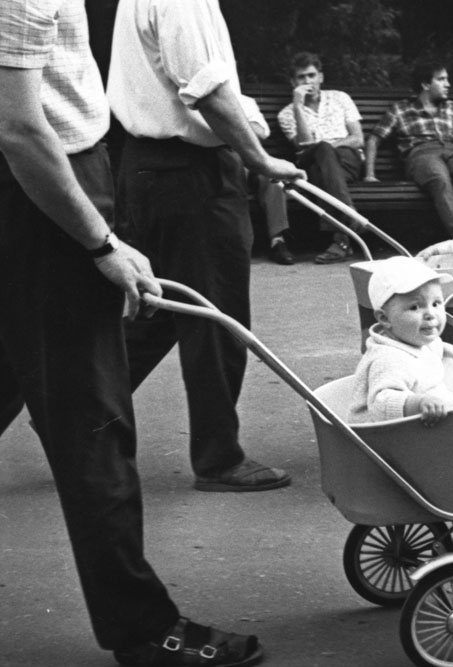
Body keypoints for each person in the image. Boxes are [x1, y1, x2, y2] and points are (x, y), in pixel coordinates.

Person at [0, 2, 263, 665]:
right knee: (93, 419)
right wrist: (99, 243)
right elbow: (20, 127)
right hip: (44, 192)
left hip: (54, 179)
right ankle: (142, 628)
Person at [108, 0, 304, 493]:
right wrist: (259, 159)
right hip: (190, 173)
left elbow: (207, 83)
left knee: (161, 307)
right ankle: (219, 458)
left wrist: (249, 125)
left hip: (148, 165)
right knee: (217, 314)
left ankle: (75, 411)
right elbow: (206, 90)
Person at [365, 62, 453, 238]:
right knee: (440, 180)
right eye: (441, 79)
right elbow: (374, 139)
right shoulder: (400, 109)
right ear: (425, 85)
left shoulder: (451, 108)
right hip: (420, 153)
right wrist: (370, 174)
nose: (448, 84)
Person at [348, 257, 453, 425]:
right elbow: (382, 404)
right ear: (385, 318)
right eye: (415, 307)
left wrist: (441, 347)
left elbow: (425, 350)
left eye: (436, 303)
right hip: (388, 436)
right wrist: (419, 403)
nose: (431, 314)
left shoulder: (414, 339)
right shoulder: (389, 359)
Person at [277, 52, 364, 264]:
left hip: (346, 160)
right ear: (293, 82)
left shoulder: (340, 98)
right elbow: (304, 145)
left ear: (321, 77)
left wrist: (329, 148)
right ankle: (347, 224)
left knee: (321, 163)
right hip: (311, 160)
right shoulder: (287, 114)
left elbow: (357, 138)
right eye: (301, 77)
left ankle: (342, 236)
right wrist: (298, 106)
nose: (308, 81)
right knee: (319, 158)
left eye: (312, 75)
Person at [242, 95, 295, 265]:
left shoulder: (246, 101)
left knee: (273, 180)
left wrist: (232, 121)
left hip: (250, 157)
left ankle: (277, 241)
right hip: (223, 159)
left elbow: (262, 132)